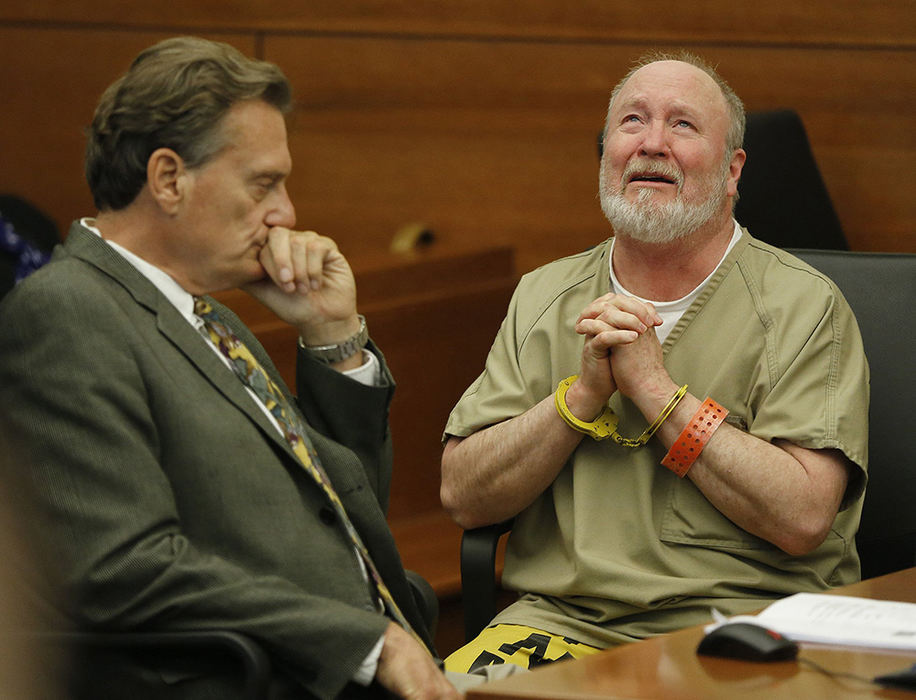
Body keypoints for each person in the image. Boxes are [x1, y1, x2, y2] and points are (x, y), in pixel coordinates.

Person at [0, 36, 474, 699]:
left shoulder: (209, 315)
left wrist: (331, 334)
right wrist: (364, 642)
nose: (286, 214)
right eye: (264, 184)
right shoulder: (65, 311)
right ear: (169, 178)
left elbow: (343, 510)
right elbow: (123, 568)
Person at [440, 51, 869, 673]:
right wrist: (579, 400)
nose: (652, 144)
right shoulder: (543, 295)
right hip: (559, 624)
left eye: (684, 126)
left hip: (741, 627)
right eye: (632, 121)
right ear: (607, 153)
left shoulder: (803, 306)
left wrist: (659, 394)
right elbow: (463, 496)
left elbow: (803, 518)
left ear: (732, 171)